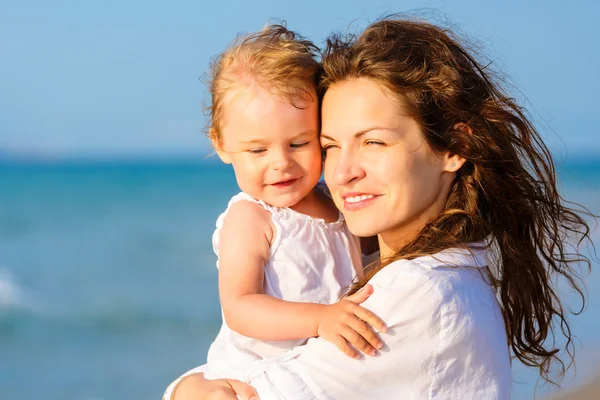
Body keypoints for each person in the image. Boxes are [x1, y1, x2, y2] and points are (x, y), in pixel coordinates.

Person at [164, 17, 591, 400]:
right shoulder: (434, 269)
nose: (343, 173)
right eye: (331, 145)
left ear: (455, 146)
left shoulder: (421, 294)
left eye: (373, 142)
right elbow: (243, 314)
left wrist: (185, 390)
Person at [192, 25, 388, 383]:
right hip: (254, 377)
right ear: (221, 144)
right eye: (257, 150)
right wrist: (321, 317)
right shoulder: (252, 217)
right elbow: (240, 306)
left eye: (299, 143)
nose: (281, 162)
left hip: (324, 372)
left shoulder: (339, 202)